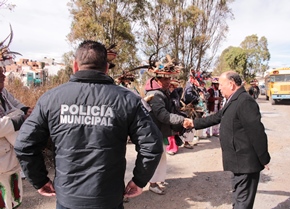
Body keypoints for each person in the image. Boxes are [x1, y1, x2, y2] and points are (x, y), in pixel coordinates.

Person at [14, 40, 163, 209]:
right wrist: (139, 180)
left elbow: (24, 144)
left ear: (75, 66)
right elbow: (152, 145)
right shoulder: (128, 100)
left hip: (68, 199)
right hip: (108, 198)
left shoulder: (51, 99)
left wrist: (39, 180)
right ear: (106, 68)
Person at [183, 71, 271, 209]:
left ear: (231, 84)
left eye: (221, 85)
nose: (219, 88)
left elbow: (257, 132)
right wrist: (194, 123)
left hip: (246, 162)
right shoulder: (233, 99)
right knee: (239, 198)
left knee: (243, 202)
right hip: (239, 162)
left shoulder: (245, 101)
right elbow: (217, 117)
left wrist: (263, 158)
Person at [144, 55, 187, 194]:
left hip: (159, 131)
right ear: (157, 79)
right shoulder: (156, 95)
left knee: (161, 157)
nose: (168, 81)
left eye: (169, 78)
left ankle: (156, 181)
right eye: (165, 78)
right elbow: (163, 115)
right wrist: (181, 120)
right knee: (156, 158)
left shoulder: (163, 92)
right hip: (153, 132)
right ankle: (152, 183)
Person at [0, 66, 31, 209]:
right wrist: (18, 119)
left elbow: (16, 104)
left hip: (11, 160)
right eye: (0, 74)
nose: (3, 76)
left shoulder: (3, 92)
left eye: (2, 73)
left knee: (14, 198)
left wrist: (26, 110)